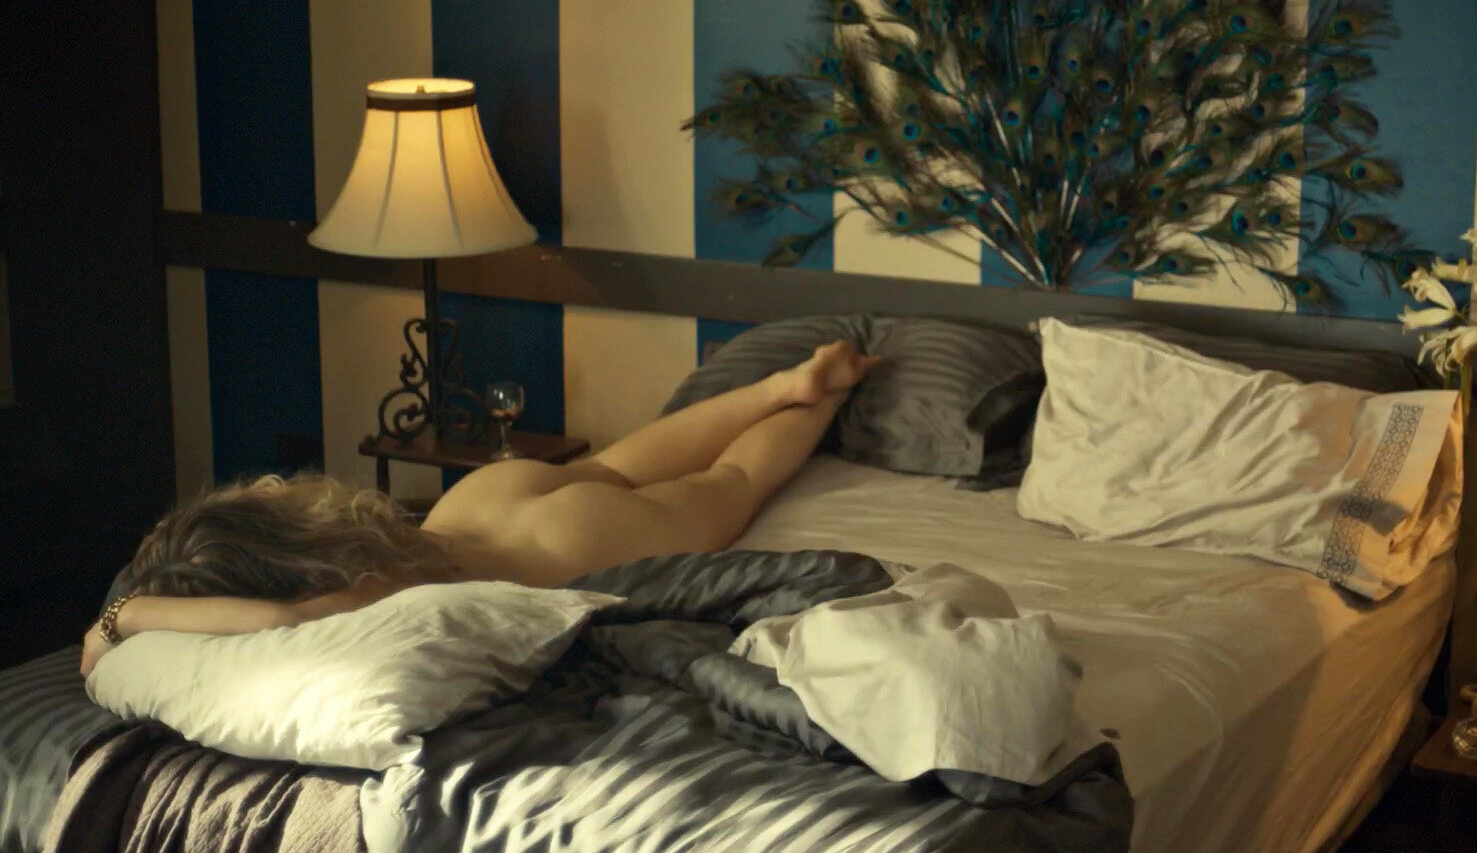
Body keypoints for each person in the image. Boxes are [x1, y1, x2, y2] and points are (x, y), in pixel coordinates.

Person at [81, 341, 882, 676]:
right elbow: (269, 616)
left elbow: (271, 623)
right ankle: (784, 386)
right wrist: (128, 612)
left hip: (559, 548)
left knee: (735, 484)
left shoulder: (343, 600)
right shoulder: (364, 566)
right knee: (615, 465)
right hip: (476, 506)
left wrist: (125, 617)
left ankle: (822, 395)